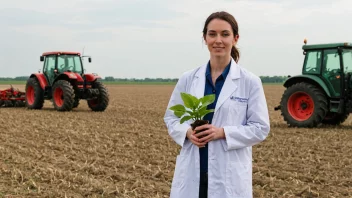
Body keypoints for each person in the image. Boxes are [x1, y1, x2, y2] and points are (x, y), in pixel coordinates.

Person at [164, 11, 270, 198]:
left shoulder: (249, 82)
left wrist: (222, 132)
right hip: (193, 172)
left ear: (235, 39)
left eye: (225, 34)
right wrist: (187, 132)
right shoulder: (188, 79)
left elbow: (260, 128)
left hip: (228, 175)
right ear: (205, 38)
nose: (218, 40)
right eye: (212, 34)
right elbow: (172, 117)